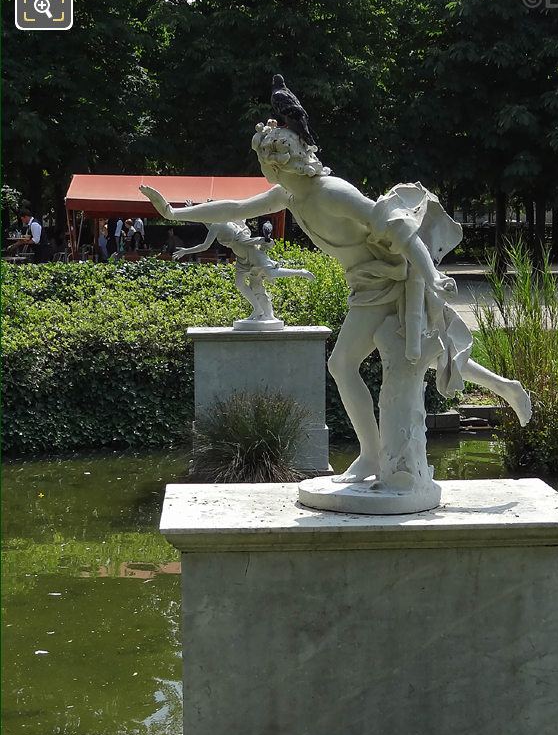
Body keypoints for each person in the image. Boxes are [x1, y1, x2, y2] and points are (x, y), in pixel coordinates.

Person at [140, 120, 531, 495]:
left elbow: (398, 226)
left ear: (277, 162)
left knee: (349, 363)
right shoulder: (288, 195)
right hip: (365, 287)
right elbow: (233, 209)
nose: (260, 167)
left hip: (391, 282)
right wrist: (174, 214)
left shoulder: (333, 192)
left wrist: (430, 276)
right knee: (421, 357)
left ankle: (375, 456)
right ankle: (500, 391)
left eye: (262, 160)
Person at [170, 218, 315, 321]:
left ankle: (300, 272)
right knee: (240, 284)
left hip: (251, 252)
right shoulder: (215, 224)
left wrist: (186, 251)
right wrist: (194, 213)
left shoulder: (220, 223)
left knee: (271, 273)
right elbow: (205, 221)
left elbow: (204, 246)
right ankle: (258, 309)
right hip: (241, 259)